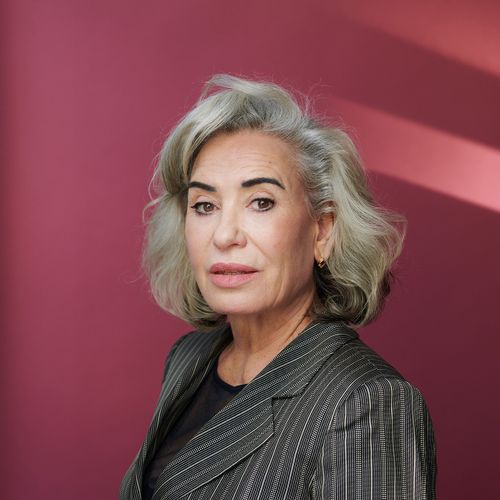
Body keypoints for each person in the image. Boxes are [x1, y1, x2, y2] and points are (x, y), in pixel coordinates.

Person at [119, 74, 437, 500]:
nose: (224, 235)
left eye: (261, 202)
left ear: (322, 231)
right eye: (205, 205)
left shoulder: (367, 400)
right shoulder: (188, 358)